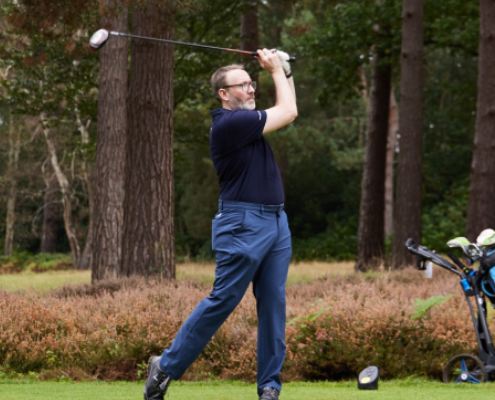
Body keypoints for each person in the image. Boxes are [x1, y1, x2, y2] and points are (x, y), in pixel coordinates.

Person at [144, 48, 297, 400]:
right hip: (243, 222)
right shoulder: (230, 124)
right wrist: (276, 70)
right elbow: (288, 111)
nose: (251, 89)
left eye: (251, 83)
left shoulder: (248, 122)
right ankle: (166, 366)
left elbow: (289, 109)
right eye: (242, 85)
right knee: (224, 299)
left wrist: (285, 72)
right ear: (224, 94)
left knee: (273, 303)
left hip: (276, 221)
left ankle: (269, 387)